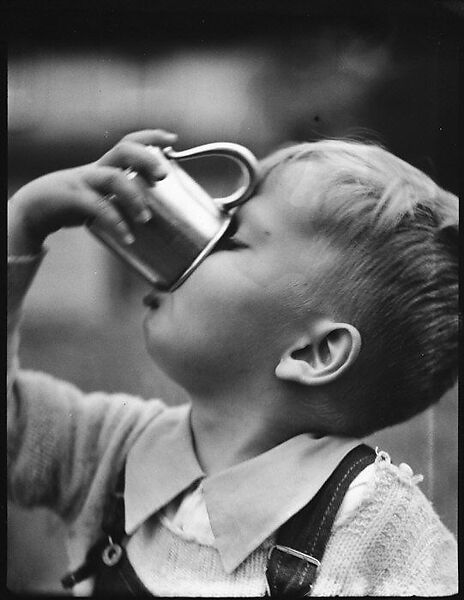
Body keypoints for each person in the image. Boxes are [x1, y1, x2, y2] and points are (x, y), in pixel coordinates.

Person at [8, 129, 458, 596]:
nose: (194, 244)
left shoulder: (375, 524)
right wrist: (21, 223)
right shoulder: (116, 450)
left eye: (234, 238)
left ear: (312, 353)